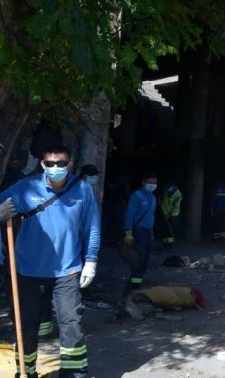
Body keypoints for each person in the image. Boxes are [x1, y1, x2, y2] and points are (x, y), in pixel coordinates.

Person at [0, 144, 100, 378]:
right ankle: (26, 372)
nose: (56, 168)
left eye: (61, 163)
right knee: (27, 326)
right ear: (43, 164)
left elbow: (92, 227)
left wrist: (91, 260)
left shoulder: (83, 190)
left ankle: (74, 373)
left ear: (70, 165)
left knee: (71, 323)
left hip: (67, 271)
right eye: (51, 163)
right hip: (29, 271)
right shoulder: (27, 187)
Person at [123, 172, 157, 290]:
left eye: (154, 183)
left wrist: (151, 232)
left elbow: (151, 216)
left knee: (145, 259)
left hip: (148, 232)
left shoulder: (153, 198)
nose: (152, 185)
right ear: (143, 183)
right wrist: (128, 231)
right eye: (150, 183)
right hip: (138, 232)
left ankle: (136, 284)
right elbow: (130, 214)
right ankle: (133, 286)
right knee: (138, 259)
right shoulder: (137, 196)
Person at [159, 180, 183, 249]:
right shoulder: (166, 190)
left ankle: (169, 246)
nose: (167, 189)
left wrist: (169, 215)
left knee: (171, 230)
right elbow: (164, 199)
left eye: (169, 187)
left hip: (173, 215)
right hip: (164, 212)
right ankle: (165, 244)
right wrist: (160, 200)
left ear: (173, 186)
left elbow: (176, 207)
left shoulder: (177, 194)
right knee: (165, 230)